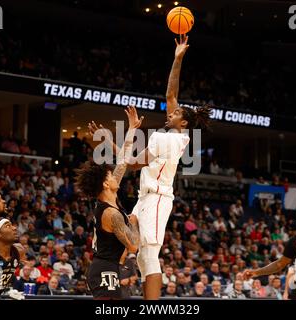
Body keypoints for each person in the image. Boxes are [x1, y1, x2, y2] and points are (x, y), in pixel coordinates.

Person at [90, 35, 211, 300]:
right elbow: (171, 93)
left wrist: (111, 141)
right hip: (146, 199)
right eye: (172, 111)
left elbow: (131, 165)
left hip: (157, 199)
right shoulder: (173, 135)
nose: (171, 113)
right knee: (142, 259)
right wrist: (177, 58)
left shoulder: (167, 139)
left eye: (176, 114)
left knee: (149, 257)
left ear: (185, 123)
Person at [79, 106, 142, 300]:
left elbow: (123, 162)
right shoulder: (111, 214)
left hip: (108, 267)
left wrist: (132, 128)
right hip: (104, 270)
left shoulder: (109, 201)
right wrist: (134, 223)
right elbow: (133, 246)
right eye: (110, 174)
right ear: (106, 183)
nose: (116, 175)